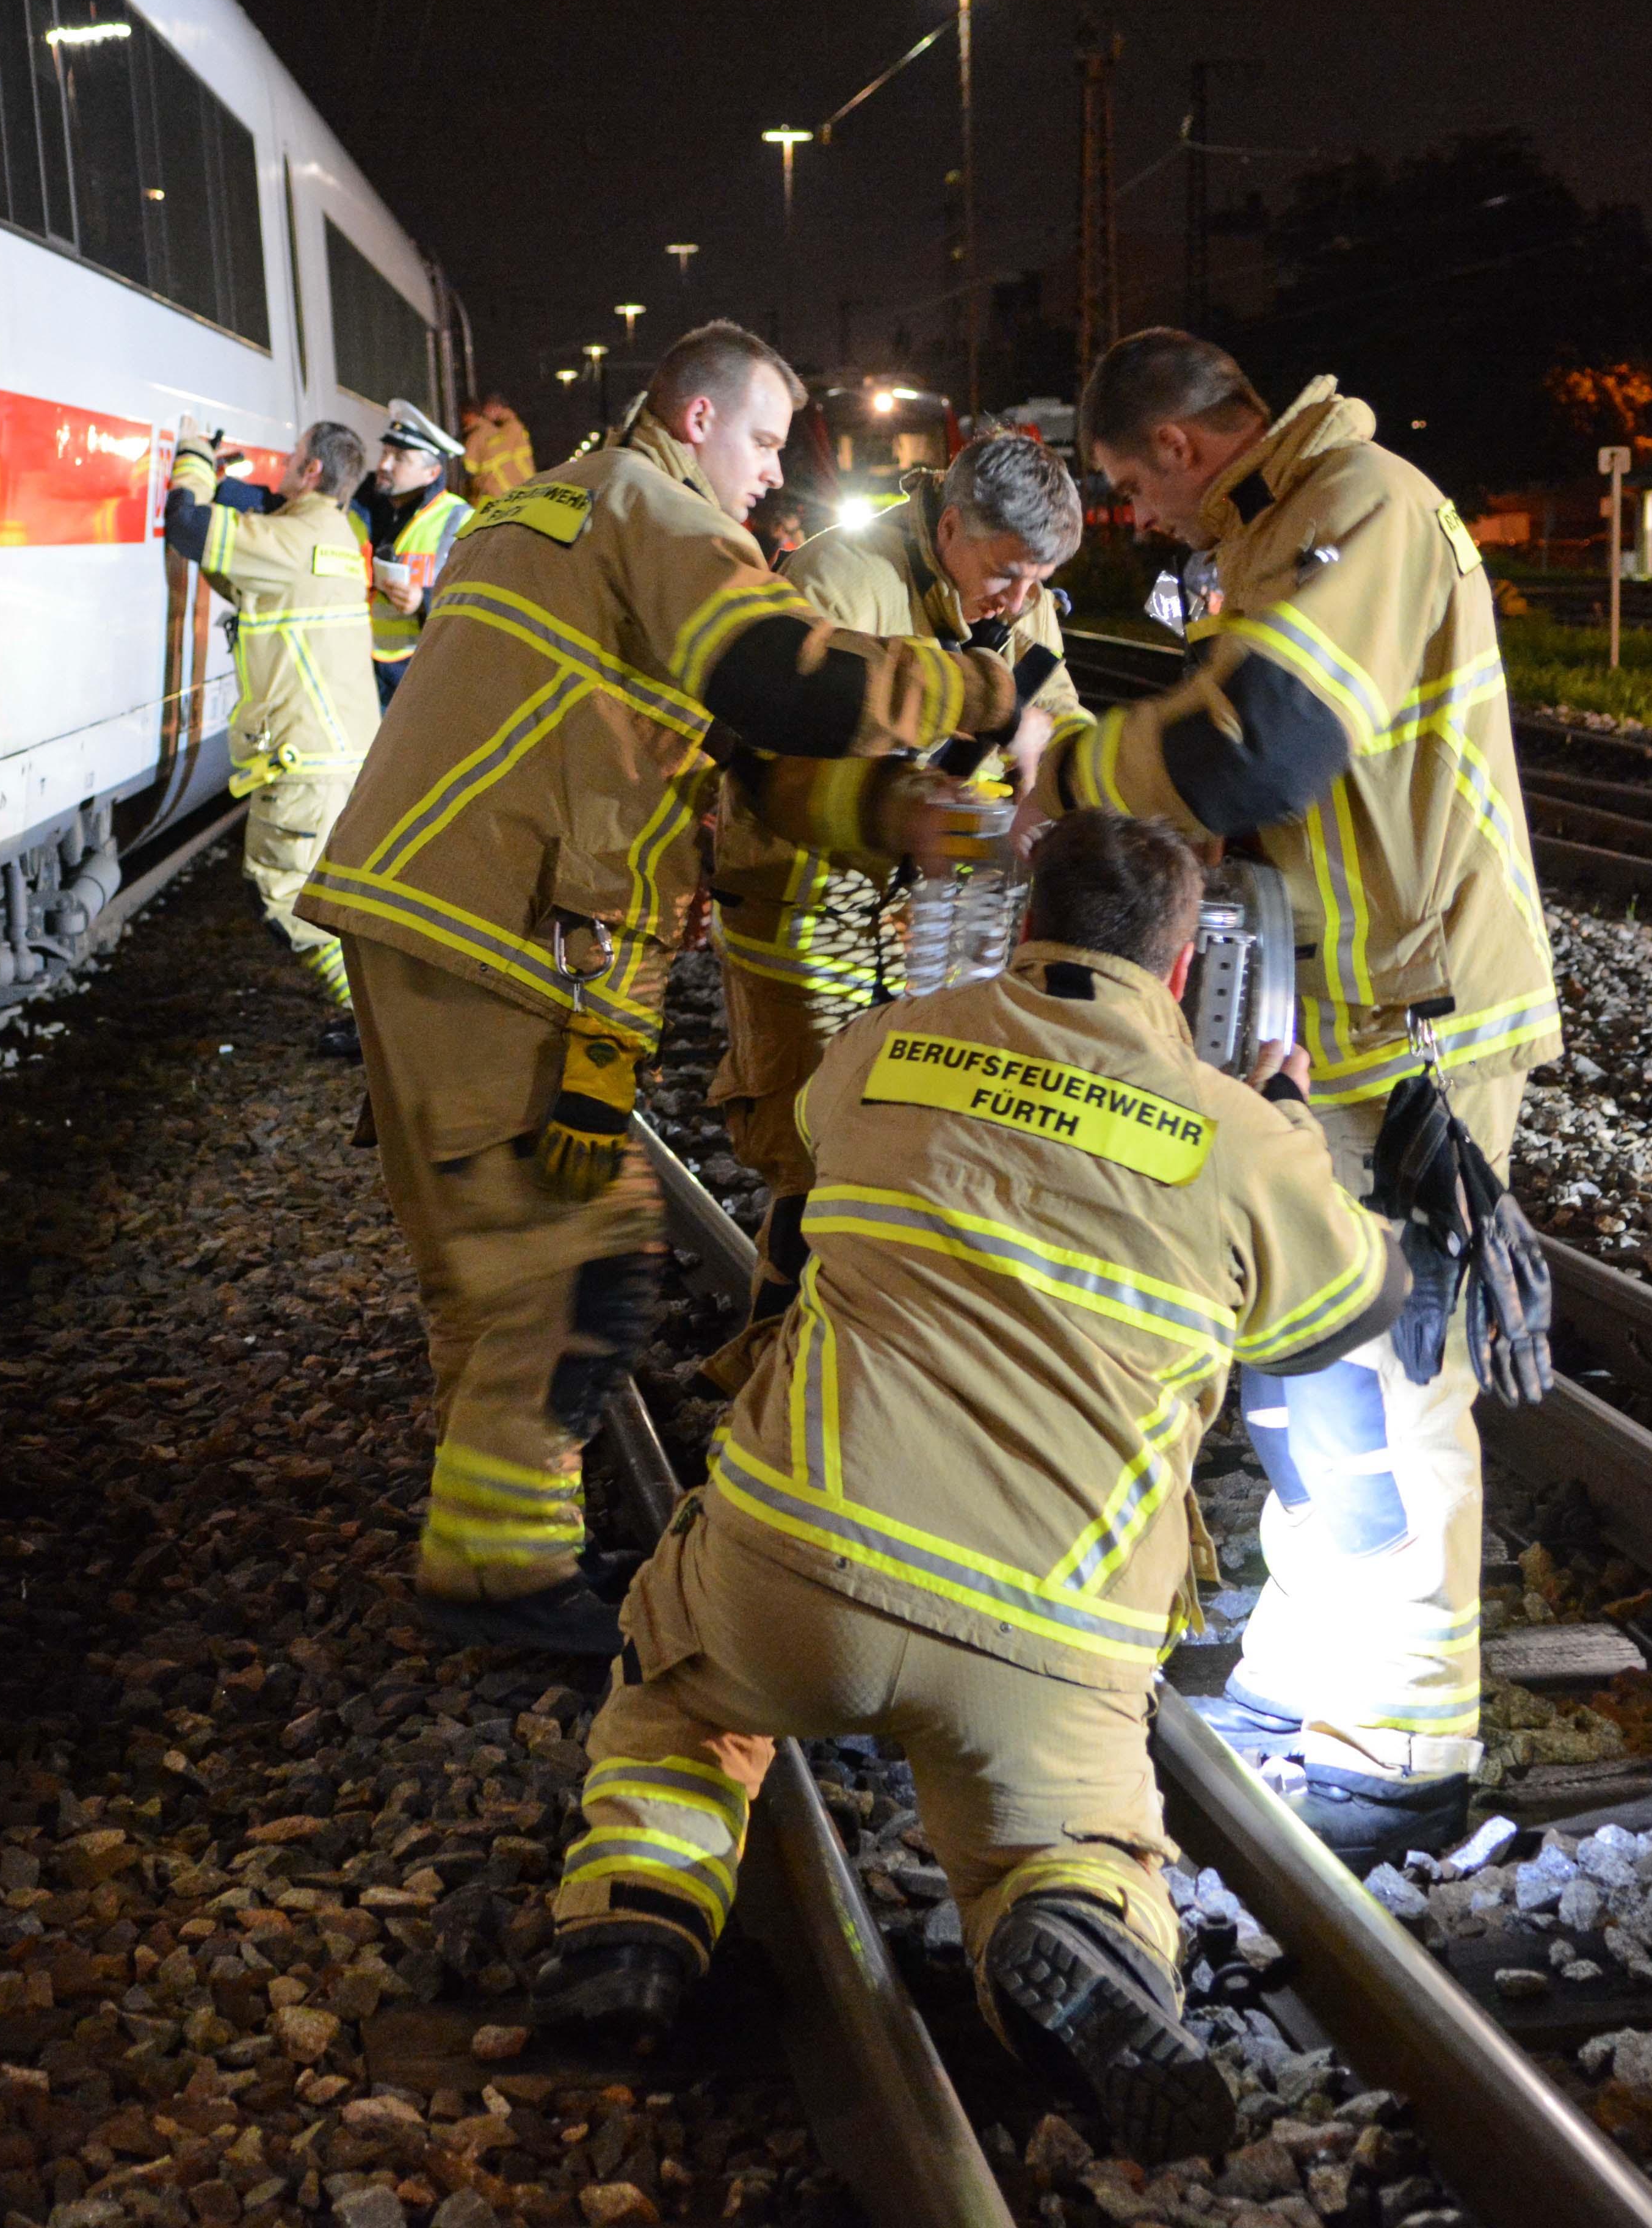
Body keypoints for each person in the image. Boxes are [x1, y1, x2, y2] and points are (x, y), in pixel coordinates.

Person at [535, 811, 1405, 2157]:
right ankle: (1064, 1918)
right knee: (1067, 1845)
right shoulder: (1235, 1135)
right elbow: (1348, 1307)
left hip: (800, 1571)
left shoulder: (884, 1046)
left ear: (1021, 923)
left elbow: (827, 1156)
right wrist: (1288, 1117)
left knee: (676, 1705)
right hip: (1049, 1626)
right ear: (1182, 966)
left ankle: (636, 1912)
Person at [303, 321, 1027, 1658]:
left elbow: (735, 756)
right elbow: (778, 681)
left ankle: (497, 1548)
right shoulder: (658, 509)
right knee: (577, 1268)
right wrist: (988, 696)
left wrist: (910, 824)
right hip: (493, 926)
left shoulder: (559, 503)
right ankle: (499, 1578)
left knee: (506, 1263)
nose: (771, 479)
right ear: (696, 422)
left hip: (441, 909)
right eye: (762, 441)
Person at [1027, 327, 1558, 1864]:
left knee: (1385, 1378)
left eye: (1132, 486)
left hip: (1421, 1032)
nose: (1135, 519)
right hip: (1351, 1017)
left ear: (1184, 445)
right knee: (1304, 1365)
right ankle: (1315, 1677)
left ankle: (1401, 1736)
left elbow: (1265, 748)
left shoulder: (1361, 509)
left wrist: (1066, 776)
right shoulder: (1283, 520)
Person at [703, 432, 1092, 1385]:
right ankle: (772, 1379)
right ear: (951, 526)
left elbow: (1061, 712)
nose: (1021, 601)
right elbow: (768, 764)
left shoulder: (1018, 602)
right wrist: (897, 813)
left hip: (933, 929)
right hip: (809, 914)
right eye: (1008, 574)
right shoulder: (842, 580)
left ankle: (870, 1378)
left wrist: (1080, 785)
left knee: (910, 1146)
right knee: (819, 1162)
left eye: (1042, 580)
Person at [167, 416, 380, 1049]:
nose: (281, 468)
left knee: (286, 896)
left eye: (291, 458)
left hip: (307, 760)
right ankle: (384, 1021)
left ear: (312, 470)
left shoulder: (293, 539)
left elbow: (186, 526)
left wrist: (192, 460)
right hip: (340, 751)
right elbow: (244, 579)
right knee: (335, 899)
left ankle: (379, 1029)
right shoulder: (331, 534)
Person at [355, 401, 473, 706]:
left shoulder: (460, 520)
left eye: (400, 458)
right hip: (362, 669)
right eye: (385, 453)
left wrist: (425, 600)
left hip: (423, 677)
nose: (384, 465)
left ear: (431, 472)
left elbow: (477, 600)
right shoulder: (365, 508)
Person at [461, 394, 537, 499]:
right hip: (522, 484)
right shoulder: (507, 427)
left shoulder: (509, 429)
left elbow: (468, 468)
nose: (486, 414)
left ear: (496, 408)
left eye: (487, 410)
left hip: (512, 487)